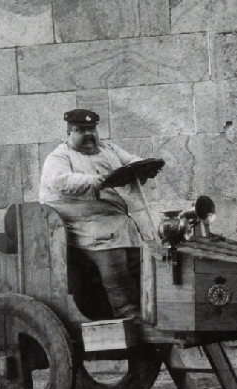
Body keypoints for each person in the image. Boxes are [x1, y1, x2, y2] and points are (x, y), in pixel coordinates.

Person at [39, 109, 160, 318]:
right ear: (68, 133)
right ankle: (126, 312)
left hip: (120, 227)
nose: (88, 135)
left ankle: (150, 311)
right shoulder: (59, 156)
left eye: (92, 129)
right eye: (80, 130)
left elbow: (131, 161)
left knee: (144, 262)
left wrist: (144, 168)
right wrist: (96, 181)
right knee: (116, 266)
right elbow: (59, 181)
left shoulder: (109, 149)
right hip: (88, 231)